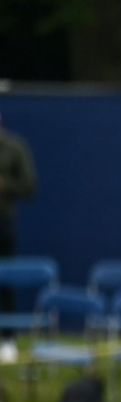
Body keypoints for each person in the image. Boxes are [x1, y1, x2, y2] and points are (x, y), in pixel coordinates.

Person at [0, 114, 38, 364]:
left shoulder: (15, 147)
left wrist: (4, 185)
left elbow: (29, 186)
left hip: (2, 223)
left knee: (5, 282)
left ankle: (7, 340)